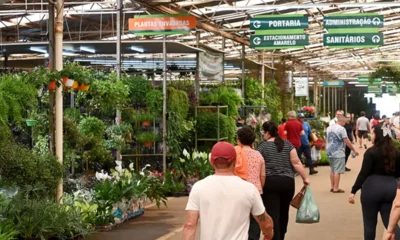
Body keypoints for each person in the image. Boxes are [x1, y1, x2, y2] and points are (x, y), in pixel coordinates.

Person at [183, 142, 274, 240]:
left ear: (211, 162)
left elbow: (190, 226)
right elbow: (266, 223)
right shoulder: (249, 189)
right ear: (235, 162)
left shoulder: (199, 187)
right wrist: (268, 234)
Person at [258, 122, 310, 240]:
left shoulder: (262, 146)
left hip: (270, 183)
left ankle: (275, 237)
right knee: (283, 211)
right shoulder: (287, 144)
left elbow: (258, 165)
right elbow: (296, 163)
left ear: (267, 133)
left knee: (272, 212)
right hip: (287, 182)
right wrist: (305, 178)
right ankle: (281, 235)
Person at [349, 123, 400, 240]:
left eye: (373, 133)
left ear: (377, 135)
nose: (371, 136)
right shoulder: (396, 153)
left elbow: (363, 173)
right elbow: (398, 173)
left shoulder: (371, 152)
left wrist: (353, 190)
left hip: (371, 188)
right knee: (390, 223)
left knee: (369, 224)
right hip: (391, 188)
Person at [235, 126, 266, 240]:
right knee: (255, 221)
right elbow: (262, 175)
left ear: (239, 139)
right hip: (255, 191)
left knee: (239, 221)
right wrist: (259, 188)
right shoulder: (258, 155)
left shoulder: (236, 154)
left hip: (238, 192)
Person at [326, 116, 359, 193]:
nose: (344, 124)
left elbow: (327, 139)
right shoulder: (341, 129)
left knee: (332, 169)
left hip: (330, 151)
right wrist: (353, 149)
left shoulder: (329, 128)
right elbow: (346, 140)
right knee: (337, 170)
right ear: (342, 121)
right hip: (338, 152)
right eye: (344, 123)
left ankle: (332, 186)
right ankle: (336, 188)